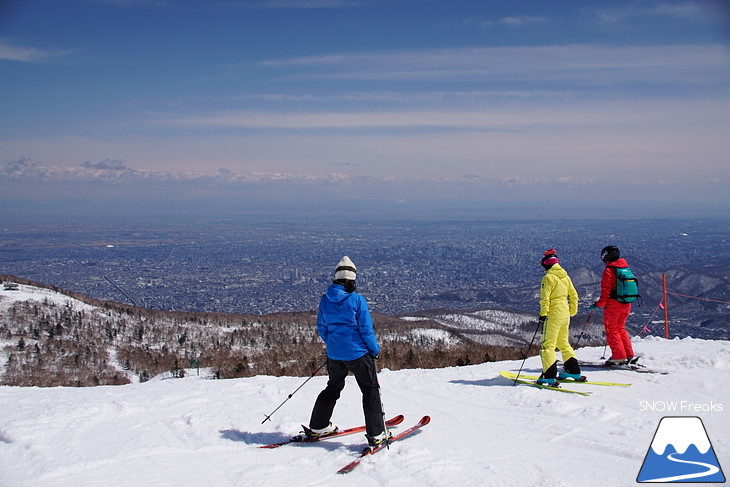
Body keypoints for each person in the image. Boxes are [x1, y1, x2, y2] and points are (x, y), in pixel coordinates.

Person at [306, 256, 390, 447]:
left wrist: (334, 344)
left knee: (333, 387)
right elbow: (366, 330)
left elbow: (322, 327)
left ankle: (318, 426)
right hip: (358, 354)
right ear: (352, 279)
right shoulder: (356, 300)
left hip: (334, 355)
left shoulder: (325, 300)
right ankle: (377, 433)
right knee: (370, 391)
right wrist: (374, 350)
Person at [537, 249, 582, 385]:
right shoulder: (565, 277)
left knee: (548, 345)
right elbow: (574, 295)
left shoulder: (548, 278)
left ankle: (549, 374)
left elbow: (545, 298)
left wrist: (543, 314)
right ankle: (573, 371)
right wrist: (572, 311)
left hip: (553, 313)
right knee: (563, 343)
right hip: (565, 313)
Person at [590, 245, 636, 365]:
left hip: (613, 306)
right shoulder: (625, 268)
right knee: (621, 329)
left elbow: (605, 292)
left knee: (612, 330)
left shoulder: (609, 270)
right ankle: (629, 354)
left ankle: (618, 357)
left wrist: (597, 305)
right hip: (626, 303)